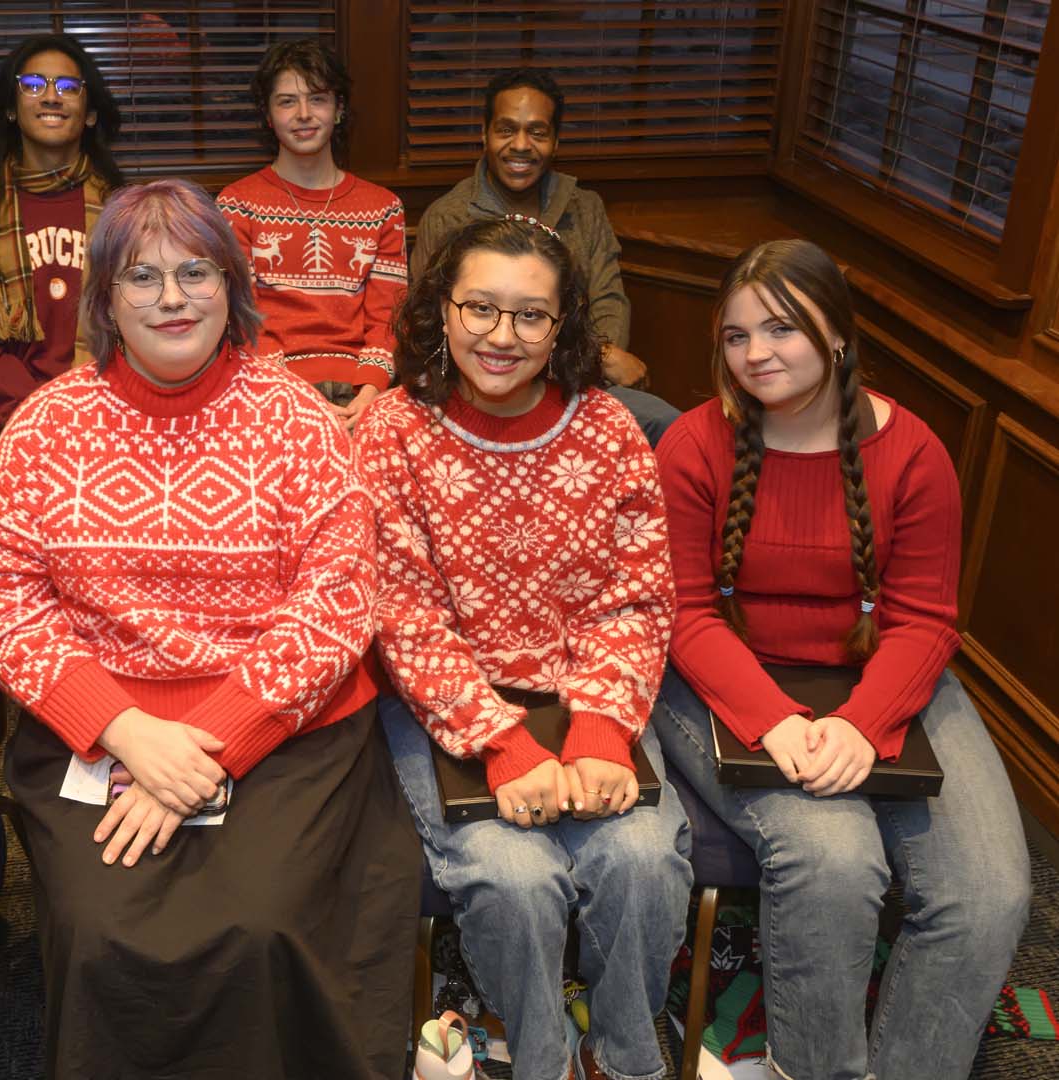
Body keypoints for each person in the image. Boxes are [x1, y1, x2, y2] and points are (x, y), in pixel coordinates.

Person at [0, 178, 419, 1079]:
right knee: (100, 931)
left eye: (195, 272)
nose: (171, 298)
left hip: (283, 727)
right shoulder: (43, 429)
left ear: (232, 287)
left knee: (259, 925)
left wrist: (210, 746)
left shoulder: (300, 422)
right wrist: (125, 730)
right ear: (105, 300)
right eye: (142, 277)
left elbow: (336, 608)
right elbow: (5, 608)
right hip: (102, 732)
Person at [652, 238, 1029, 1080]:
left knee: (986, 894)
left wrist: (862, 722)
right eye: (737, 336)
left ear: (837, 334)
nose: (755, 354)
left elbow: (926, 619)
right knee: (833, 863)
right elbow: (685, 612)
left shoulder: (914, 451)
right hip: (725, 679)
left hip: (881, 676)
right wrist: (773, 720)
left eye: (781, 329)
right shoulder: (693, 444)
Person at [355, 216, 692, 1080]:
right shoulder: (393, 429)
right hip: (445, 708)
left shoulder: (609, 431)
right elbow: (402, 614)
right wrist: (500, 741)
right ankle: (541, 1061)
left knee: (643, 862)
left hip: (587, 698)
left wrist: (602, 731)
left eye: (531, 315)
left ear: (563, 323)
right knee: (514, 880)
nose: (502, 336)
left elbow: (637, 598)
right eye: (480, 307)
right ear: (441, 308)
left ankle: (627, 1062)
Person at [410, 68, 678, 446]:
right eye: (506, 130)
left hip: (578, 380)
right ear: (484, 134)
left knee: (668, 425)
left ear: (555, 141)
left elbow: (608, 300)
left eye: (537, 132)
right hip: (481, 381)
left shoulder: (584, 208)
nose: (521, 145)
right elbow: (427, 320)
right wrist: (601, 355)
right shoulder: (449, 216)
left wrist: (590, 359)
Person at [0, 33, 124, 444]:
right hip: (18, 424)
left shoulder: (126, 214)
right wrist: (45, 418)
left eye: (69, 87)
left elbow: (147, 326)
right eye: (34, 85)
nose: (51, 97)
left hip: (117, 415)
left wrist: (102, 413)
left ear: (90, 114)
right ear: (10, 108)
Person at [217, 38, 406, 431]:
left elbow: (388, 319)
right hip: (270, 389)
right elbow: (239, 317)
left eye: (317, 99)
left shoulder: (383, 208)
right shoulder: (236, 205)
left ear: (339, 109)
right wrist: (292, 397)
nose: (304, 114)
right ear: (268, 115)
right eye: (287, 101)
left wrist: (369, 394)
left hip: (363, 392)